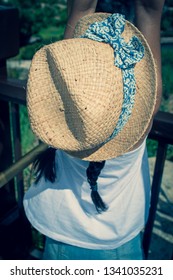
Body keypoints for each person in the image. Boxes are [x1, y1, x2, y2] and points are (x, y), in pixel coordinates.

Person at [23, 0, 165, 260]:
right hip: (119, 246)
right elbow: (150, 11)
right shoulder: (137, 125)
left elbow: (81, 9)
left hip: (60, 238)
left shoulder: (69, 119)